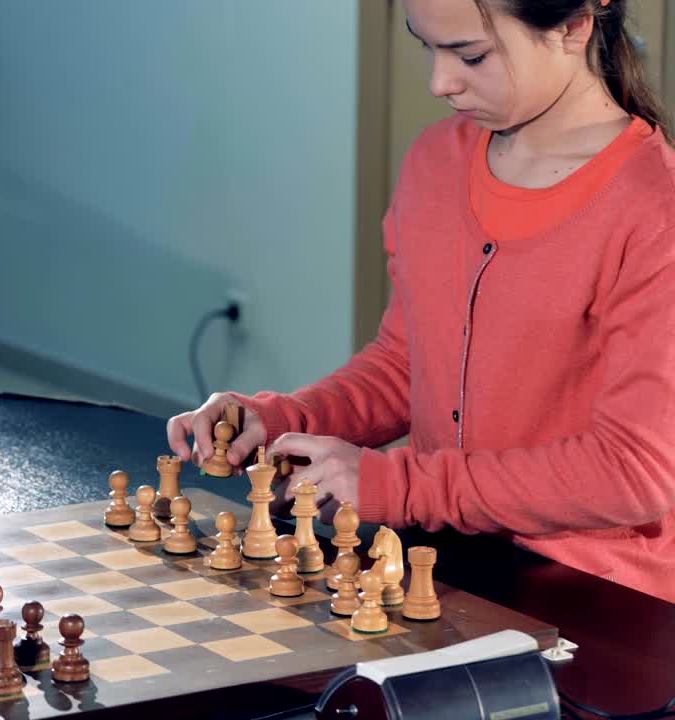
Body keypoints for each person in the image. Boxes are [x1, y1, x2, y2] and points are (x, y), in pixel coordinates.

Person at [167, 0, 675, 604]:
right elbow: (407, 366)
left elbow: (635, 472)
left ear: (572, 26)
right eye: (427, 46)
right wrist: (281, 422)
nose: (440, 82)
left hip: (598, 601)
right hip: (440, 565)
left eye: (471, 55)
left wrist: (396, 483)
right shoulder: (437, 160)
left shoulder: (654, 208)